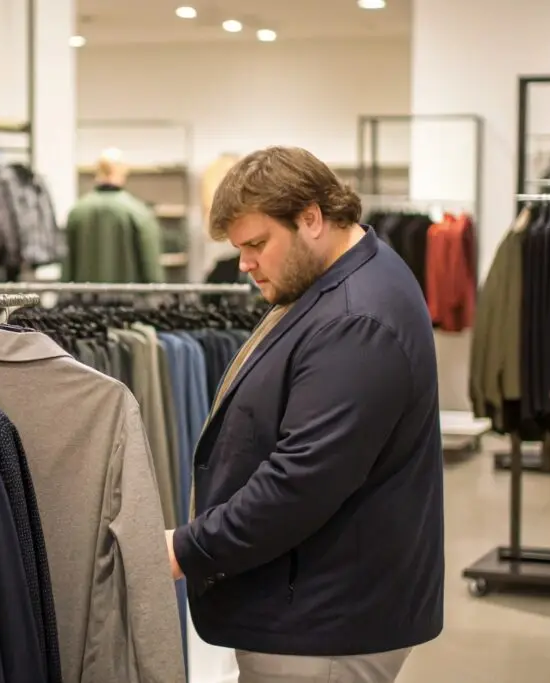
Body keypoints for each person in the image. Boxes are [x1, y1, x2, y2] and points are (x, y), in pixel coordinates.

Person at [165, 146, 444, 683]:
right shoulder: (341, 280)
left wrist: (188, 548)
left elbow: (301, 480)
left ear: (311, 218)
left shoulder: (355, 320)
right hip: (319, 604)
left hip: (325, 625)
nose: (244, 263)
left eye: (256, 244)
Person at [63, 147, 164, 283]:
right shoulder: (138, 212)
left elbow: (67, 265)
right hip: (128, 300)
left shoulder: (77, 212)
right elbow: (151, 267)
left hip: (85, 301)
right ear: (123, 172)